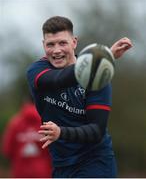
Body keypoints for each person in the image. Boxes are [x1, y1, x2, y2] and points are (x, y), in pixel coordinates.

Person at [26, 16, 133, 178]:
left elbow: (96, 130)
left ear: (74, 42)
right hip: (61, 164)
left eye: (62, 43)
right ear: (43, 45)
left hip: (95, 162)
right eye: (50, 44)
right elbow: (58, 80)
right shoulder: (36, 70)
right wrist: (103, 57)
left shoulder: (98, 77)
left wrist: (61, 132)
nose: (56, 50)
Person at [2, 100, 52, 178]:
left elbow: (7, 150)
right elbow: (54, 151)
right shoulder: (47, 123)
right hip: (44, 173)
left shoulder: (15, 123)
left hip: (20, 173)